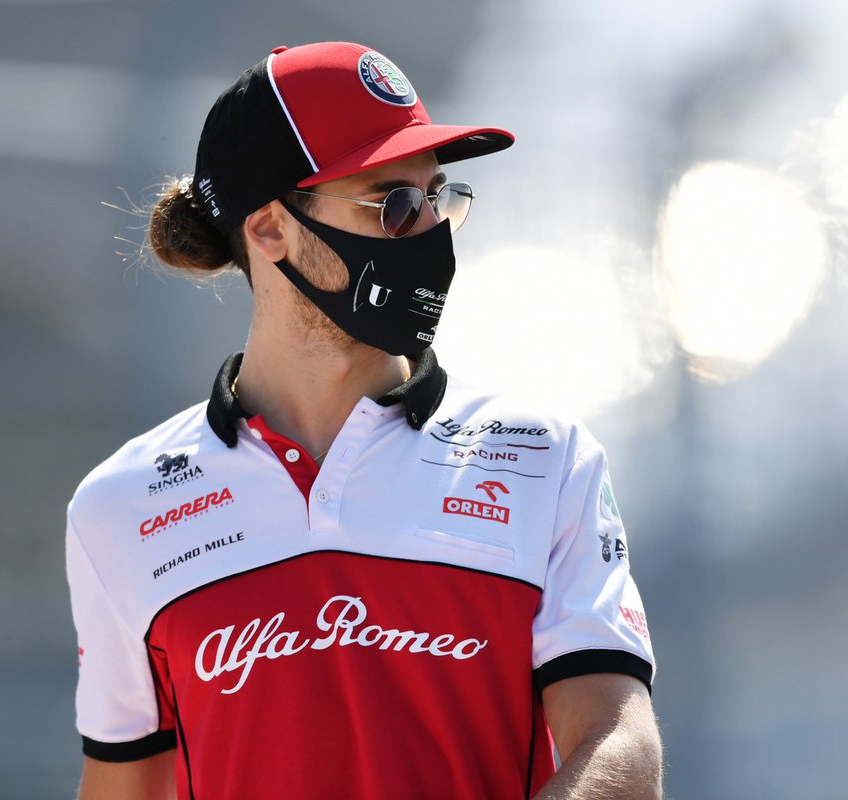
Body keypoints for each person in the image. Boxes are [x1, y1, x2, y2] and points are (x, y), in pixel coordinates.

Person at [66, 41, 662, 800]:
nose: (431, 236)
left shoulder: (548, 458)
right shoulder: (117, 505)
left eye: (440, 199)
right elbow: (124, 789)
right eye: (394, 205)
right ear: (270, 230)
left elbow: (619, 746)